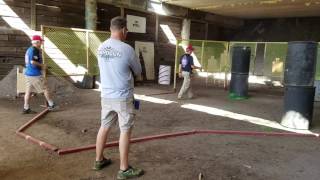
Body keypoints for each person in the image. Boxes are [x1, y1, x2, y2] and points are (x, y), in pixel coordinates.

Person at [95, 16, 143, 180]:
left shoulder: (101, 47)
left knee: (104, 127)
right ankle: (124, 169)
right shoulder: (127, 49)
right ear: (123, 30)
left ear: (110, 29)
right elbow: (138, 71)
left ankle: (99, 160)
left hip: (106, 96)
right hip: (123, 97)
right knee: (125, 130)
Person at [23, 35, 55, 114]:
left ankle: (26, 108)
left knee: (28, 91)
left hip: (28, 73)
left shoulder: (29, 49)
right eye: (40, 42)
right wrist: (43, 65)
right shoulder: (34, 50)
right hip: (34, 74)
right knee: (45, 88)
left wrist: (41, 65)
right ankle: (51, 105)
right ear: (37, 42)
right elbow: (33, 62)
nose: (41, 43)